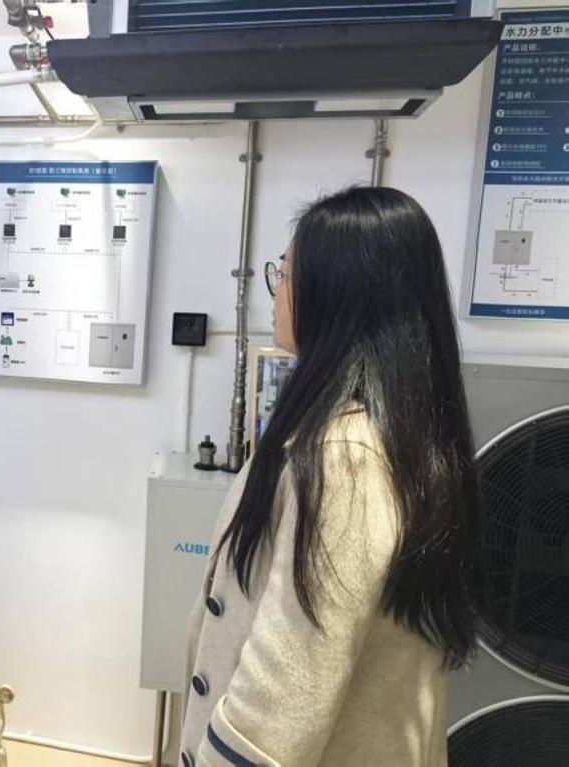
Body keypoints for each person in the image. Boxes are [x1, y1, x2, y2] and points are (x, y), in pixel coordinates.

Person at [181, 187, 480, 767]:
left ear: (337, 295)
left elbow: (288, 684)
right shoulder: (401, 432)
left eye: (287, 275)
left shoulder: (344, 459)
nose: (277, 294)